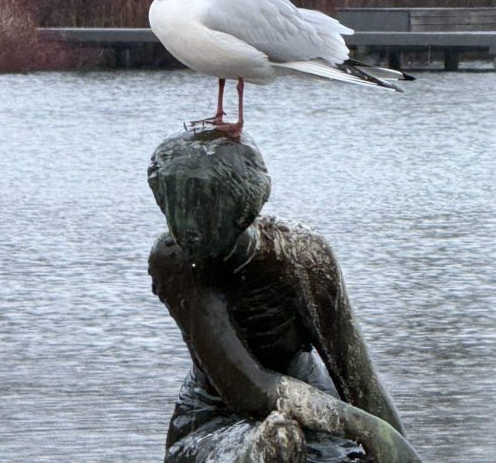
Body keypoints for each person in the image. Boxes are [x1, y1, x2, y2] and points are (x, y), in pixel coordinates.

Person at [148, 130, 420, 462]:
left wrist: (394, 445)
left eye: (202, 206)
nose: (185, 225)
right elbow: (246, 389)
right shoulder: (174, 259)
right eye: (174, 205)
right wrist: (366, 427)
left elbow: (358, 379)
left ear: (243, 210)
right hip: (212, 418)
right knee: (278, 441)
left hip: (318, 408)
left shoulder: (303, 257)